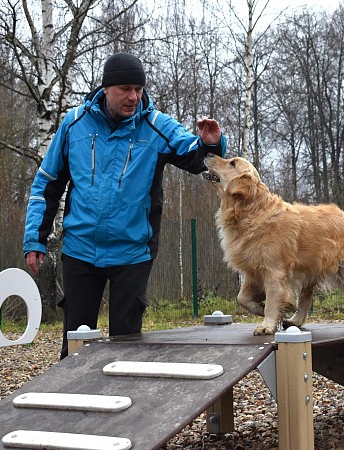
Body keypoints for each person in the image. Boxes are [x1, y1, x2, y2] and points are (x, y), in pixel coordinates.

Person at [23, 52, 227, 359]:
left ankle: (125, 405)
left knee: (127, 348)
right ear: (106, 88)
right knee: (76, 346)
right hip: (80, 250)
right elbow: (46, 184)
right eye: (125, 89)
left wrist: (210, 143)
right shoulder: (74, 124)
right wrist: (35, 239)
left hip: (132, 252)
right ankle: (75, 403)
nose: (133, 97)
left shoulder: (156, 126)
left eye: (139, 89)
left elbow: (197, 159)